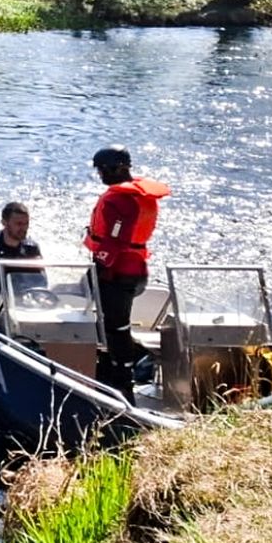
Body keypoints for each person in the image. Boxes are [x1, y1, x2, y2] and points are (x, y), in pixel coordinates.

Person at [83, 145, 171, 404]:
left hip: (118, 273)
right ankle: (117, 366)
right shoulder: (141, 197)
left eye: (101, 171)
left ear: (113, 169)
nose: (100, 176)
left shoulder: (118, 200)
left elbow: (115, 241)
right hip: (138, 270)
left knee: (116, 328)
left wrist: (98, 268)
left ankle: (122, 385)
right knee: (114, 325)